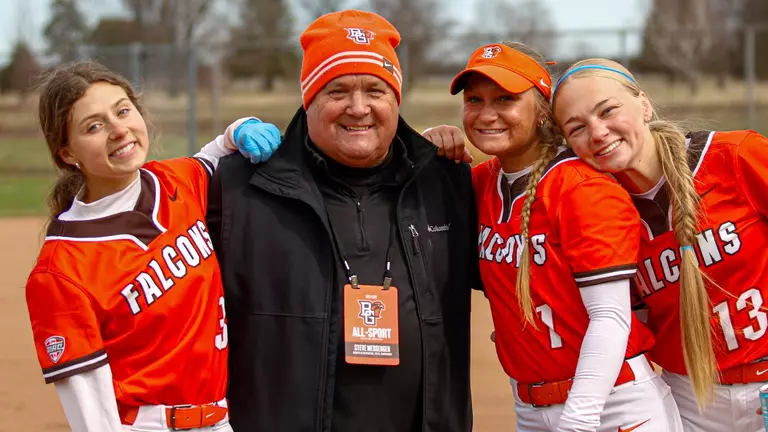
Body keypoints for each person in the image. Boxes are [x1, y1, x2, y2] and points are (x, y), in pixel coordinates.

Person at [207, 9, 479, 432]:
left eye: (375, 90)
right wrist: (225, 139)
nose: (358, 108)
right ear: (309, 98)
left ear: (396, 100)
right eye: (337, 91)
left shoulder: (448, 185)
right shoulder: (240, 189)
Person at [420, 42, 683, 431]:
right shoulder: (479, 183)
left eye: (506, 99)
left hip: (611, 407)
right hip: (531, 407)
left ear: (543, 110)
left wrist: (578, 419)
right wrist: (428, 142)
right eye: (475, 100)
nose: (486, 114)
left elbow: (610, 317)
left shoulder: (580, 186)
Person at [24, 60, 281, 432]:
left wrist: (241, 128)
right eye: (94, 126)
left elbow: (215, 153)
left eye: (123, 110)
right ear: (67, 153)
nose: (118, 130)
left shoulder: (174, 180)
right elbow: (93, 416)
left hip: (221, 418)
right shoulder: (61, 271)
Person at [550, 58, 768, 432]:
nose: (599, 132)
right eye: (577, 128)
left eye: (608, 110)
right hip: (691, 398)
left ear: (644, 104)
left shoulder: (734, 156)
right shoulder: (595, 209)